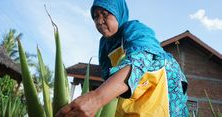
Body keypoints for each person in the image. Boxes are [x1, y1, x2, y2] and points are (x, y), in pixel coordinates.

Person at [56, 0, 188, 116]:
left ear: (118, 12)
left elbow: (143, 59)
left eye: (105, 14)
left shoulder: (134, 29)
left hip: (161, 88)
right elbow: (108, 76)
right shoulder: (104, 44)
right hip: (132, 92)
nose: (100, 21)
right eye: (95, 17)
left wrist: (97, 98)